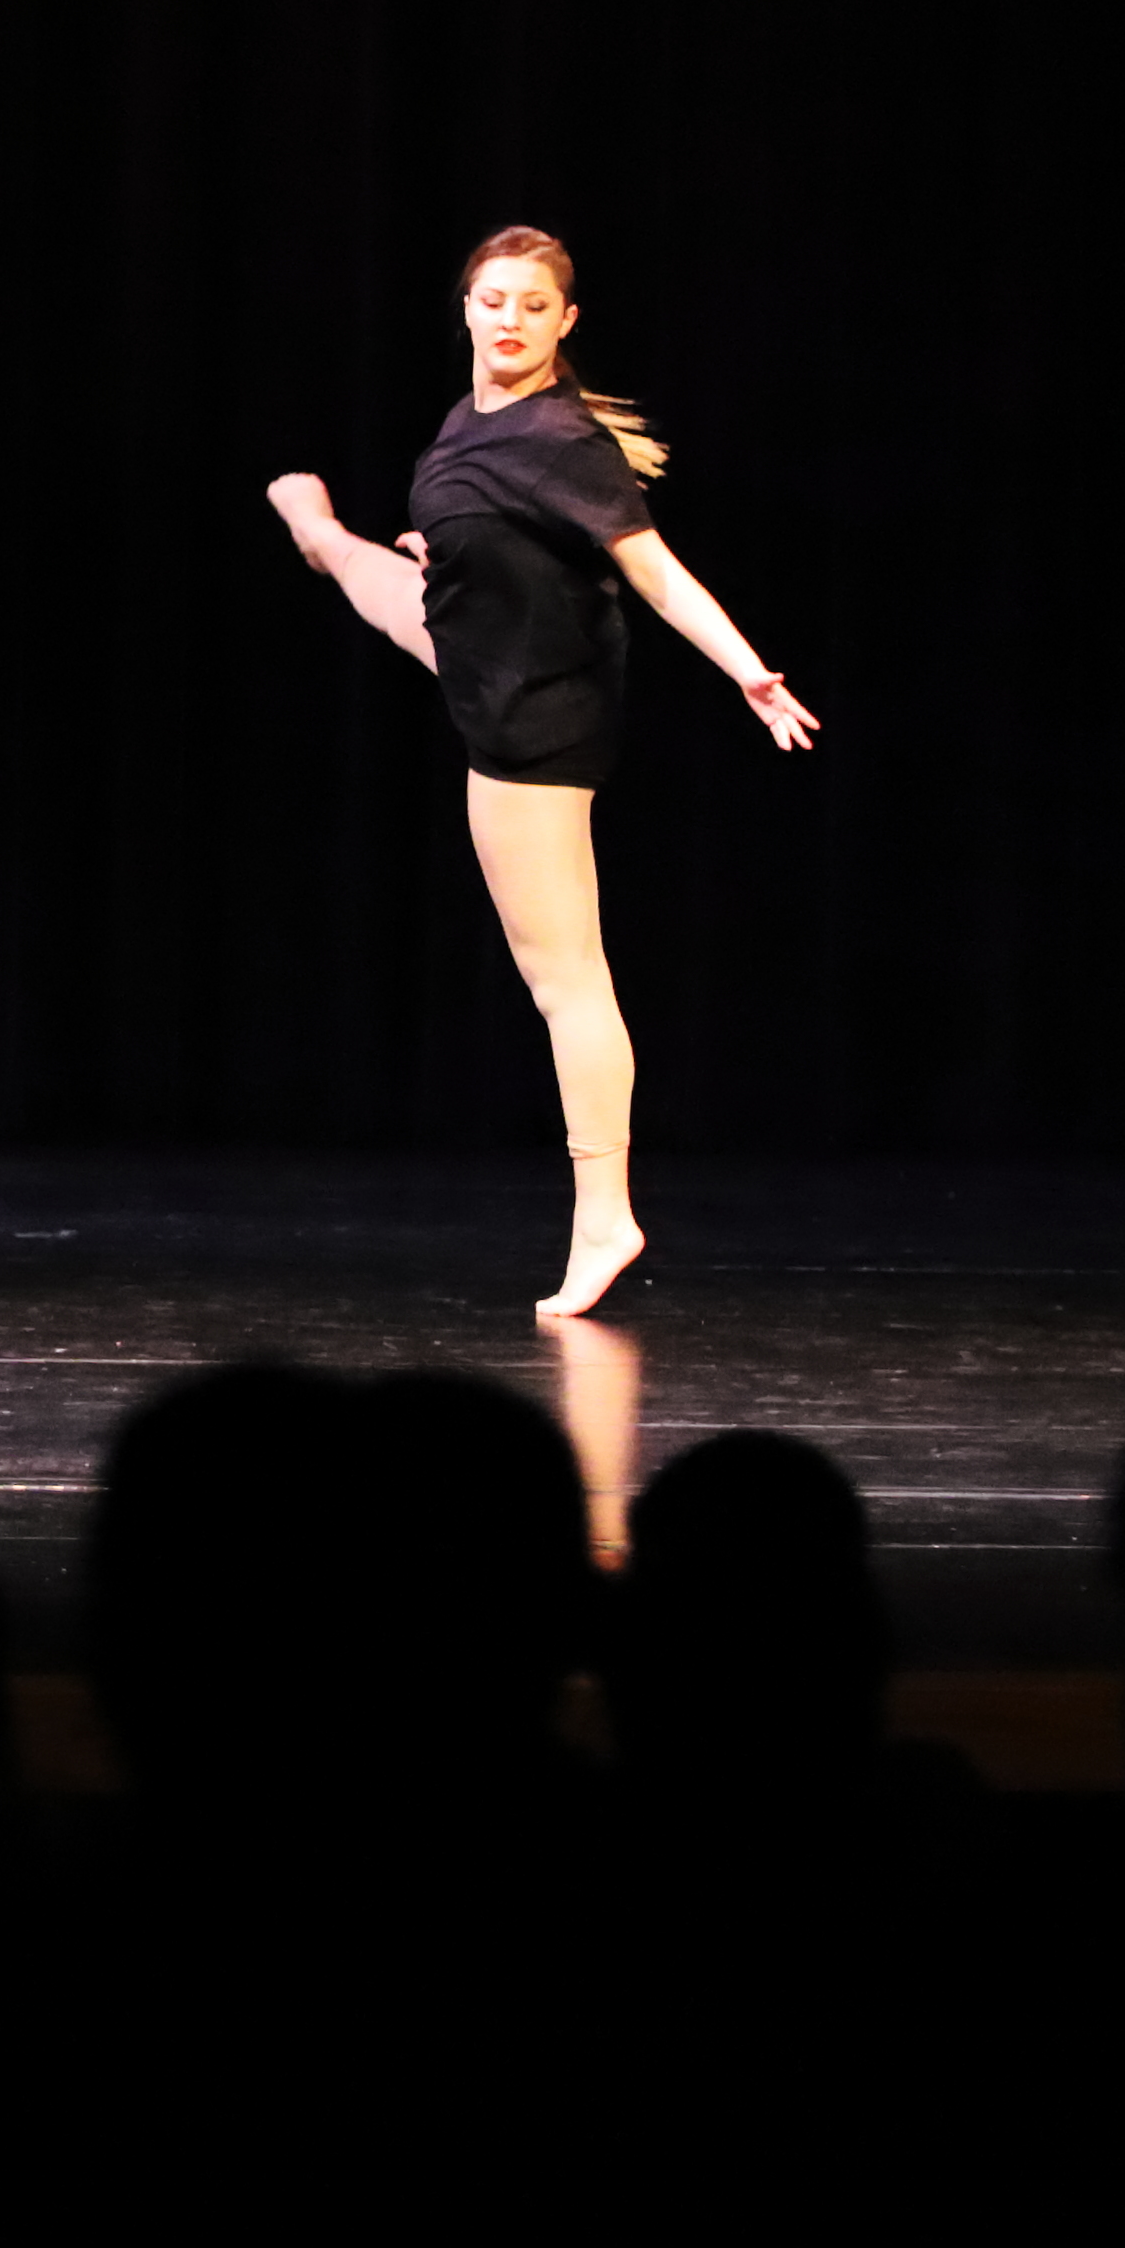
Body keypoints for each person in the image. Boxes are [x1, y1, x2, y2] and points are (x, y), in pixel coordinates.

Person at [265, 223, 813, 1556]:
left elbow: (654, 573)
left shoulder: (563, 438)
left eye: (532, 305)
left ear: (566, 321)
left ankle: (604, 1214)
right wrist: (447, 542)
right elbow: (501, 531)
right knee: (375, 573)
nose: (508, 319)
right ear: (466, 309)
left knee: (567, 980)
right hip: (475, 650)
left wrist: (748, 670)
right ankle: (321, 529)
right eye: (491, 300)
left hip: (527, 727)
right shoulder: (474, 418)